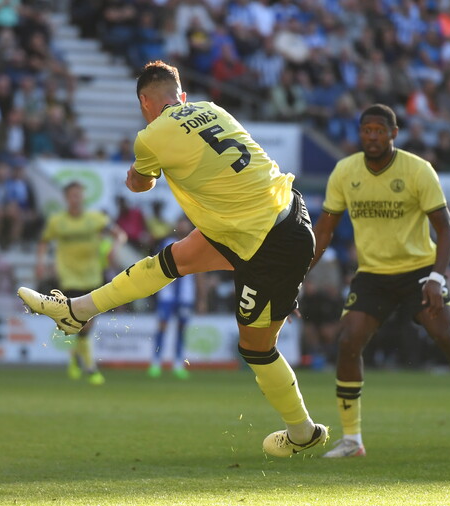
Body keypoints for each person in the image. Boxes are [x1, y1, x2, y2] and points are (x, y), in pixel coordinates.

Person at [18, 60, 329, 458]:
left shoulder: (150, 136)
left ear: (145, 102)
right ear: (180, 95)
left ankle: (302, 432)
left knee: (255, 348)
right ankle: (76, 310)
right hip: (278, 214)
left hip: (266, 241)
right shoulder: (214, 109)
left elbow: (142, 184)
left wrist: (135, 176)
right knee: (168, 262)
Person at [311, 104, 450, 459]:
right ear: (360, 134)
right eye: (366, 130)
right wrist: (298, 273)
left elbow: (446, 229)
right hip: (372, 274)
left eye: (379, 130)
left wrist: (436, 276)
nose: (372, 136)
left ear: (394, 133)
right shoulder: (345, 171)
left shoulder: (418, 170)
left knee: (446, 337)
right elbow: (324, 230)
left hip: (419, 271)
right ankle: (352, 439)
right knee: (347, 341)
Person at [34, 180, 126, 384]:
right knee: (84, 321)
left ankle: (76, 357)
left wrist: (114, 248)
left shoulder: (96, 219)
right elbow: (43, 241)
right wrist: (40, 263)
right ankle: (91, 367)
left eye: (79, 195)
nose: (76, 198)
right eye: (72, 195)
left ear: (83, 197)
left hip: (93, 276)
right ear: (66, 198)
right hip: (69, 278)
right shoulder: (57, 221)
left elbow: (120, 235)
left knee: (86, 324)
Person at [148, 215, 196, 379]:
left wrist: (202, 298)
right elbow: (156, 268)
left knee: (181, 329)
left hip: (185, 295)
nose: (182, 226)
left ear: (190, 227)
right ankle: (156, 362)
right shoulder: (166, 243)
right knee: (162, 326)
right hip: (167, 293)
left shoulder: (196, 244)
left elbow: (199, 273)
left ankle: (178, 363)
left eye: (185, 224)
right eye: (180, 223)